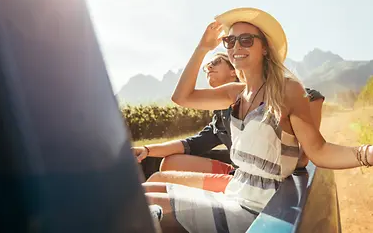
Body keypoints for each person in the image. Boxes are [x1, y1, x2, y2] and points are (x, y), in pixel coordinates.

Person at [145, 7, 373, 233]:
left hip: (259, 208)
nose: (237, 47)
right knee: (143, 194)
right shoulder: (234, 94)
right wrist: (203, 47)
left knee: (143, 207)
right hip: (235, 191)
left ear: (265, 48)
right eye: (230, 41)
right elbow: (181, 97)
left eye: (247, 40)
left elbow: (318, 151)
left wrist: (368, 153)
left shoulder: (286, 90)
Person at [133, 52, 326, 193]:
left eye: (216, 62)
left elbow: (312, 95)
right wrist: (148, 150)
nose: (209, 67)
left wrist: (305, 153)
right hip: (238, 173)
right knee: (170, 162)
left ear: (234, 72)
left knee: (156, 182)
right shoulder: (219, 116)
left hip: (258, 182)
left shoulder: (256, 95)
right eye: (207, 66)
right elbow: (191, 144)